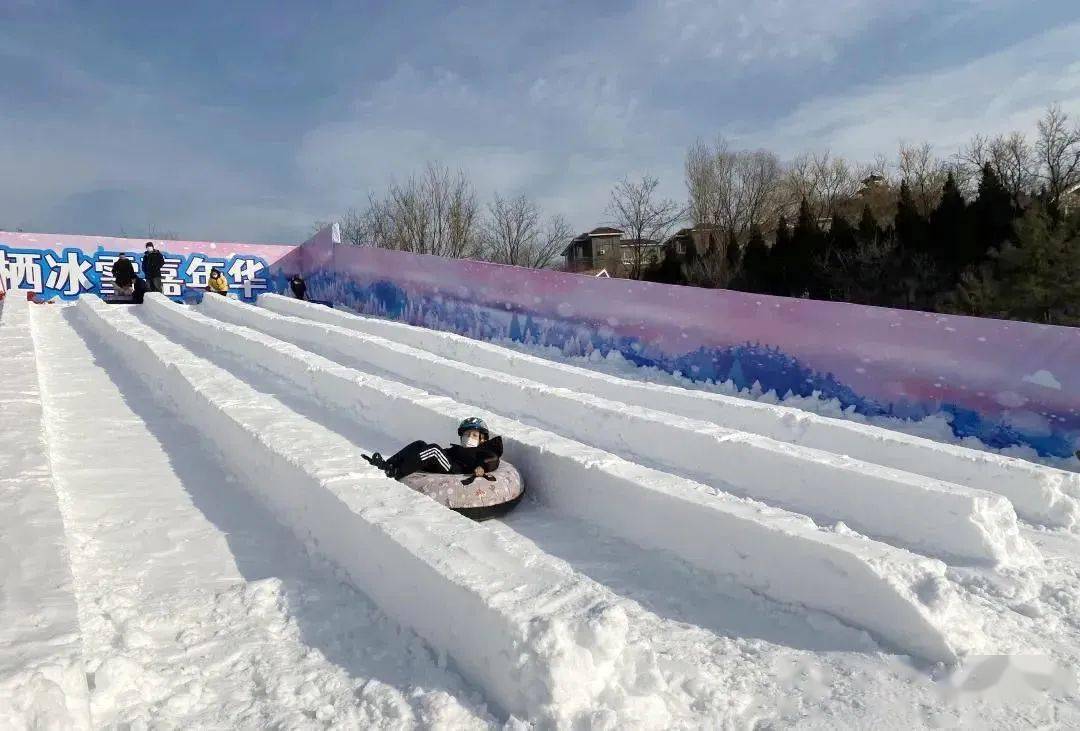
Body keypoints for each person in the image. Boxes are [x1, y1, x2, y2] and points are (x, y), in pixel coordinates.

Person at [364, 417, 502, 484]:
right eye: (466, 434)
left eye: (473, 435)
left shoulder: (485, 450)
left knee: (434, 450)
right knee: (420, 444)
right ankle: (389, 464)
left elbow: (491, 460)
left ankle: (397, 472)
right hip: (450, 461)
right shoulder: (463, 449)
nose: (468, 438)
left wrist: (481, 467)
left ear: (483, 439)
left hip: (456, 469)